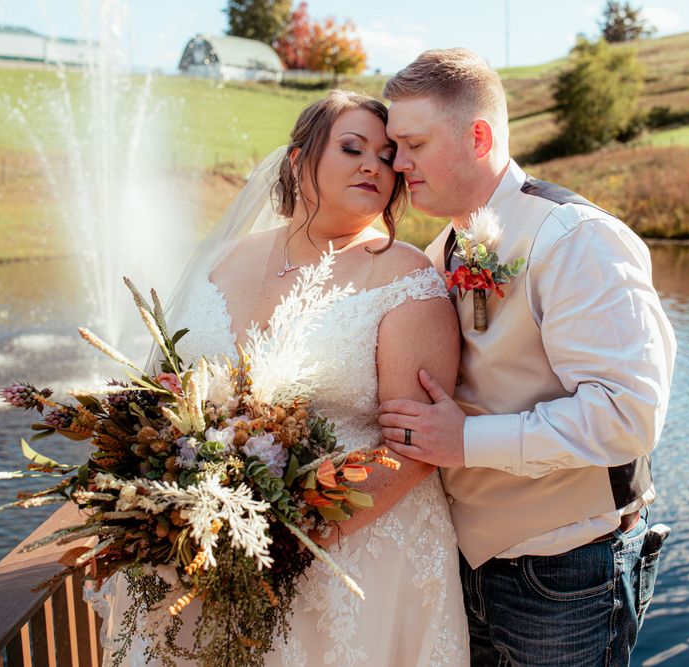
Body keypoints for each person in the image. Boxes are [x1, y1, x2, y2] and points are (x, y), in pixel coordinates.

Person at [90, 90, 470, 666]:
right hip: (207, 548)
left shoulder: (404, 278)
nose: (374, 163)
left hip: (349, 558)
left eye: (388, 154)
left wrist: (287, 538)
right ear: (298, 161)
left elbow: (414, 448)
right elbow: (166, 390)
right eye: (352, 147)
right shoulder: (225, 258)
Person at [378, 49, 677, 666]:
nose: (398, 163)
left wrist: (466, 442)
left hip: (568, 570)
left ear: (478, 135)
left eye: (412, 143)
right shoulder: (443, 248)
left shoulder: (574, 239)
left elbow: (629, 416)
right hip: (469, 567)